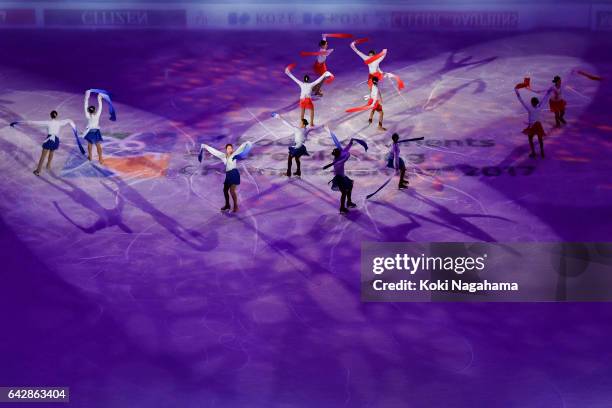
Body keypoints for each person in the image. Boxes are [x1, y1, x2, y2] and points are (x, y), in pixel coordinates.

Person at [10, 110, 78, 176]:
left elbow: (34, 123)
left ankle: (38, 171)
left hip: (49, 140)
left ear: (50, 116)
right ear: (56, 116)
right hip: (56, 140)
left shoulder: (48, 122)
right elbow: (69, 120)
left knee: (43, 156)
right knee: (52, 152)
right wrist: (74, 128)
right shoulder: (60, 122)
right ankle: (48, 165)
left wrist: (18, 122)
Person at [323, 126, 368, 213]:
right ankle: (342, 208)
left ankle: (349, 202)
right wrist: (346, 155)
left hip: (342, 177)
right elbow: (345, 157)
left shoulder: (339, 156)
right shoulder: (337, 161)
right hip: (339, 178)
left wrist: (351, 143)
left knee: (350, 186)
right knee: (344, 192)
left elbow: (345, 149)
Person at [198, 141, 253, 212]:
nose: (229, 150)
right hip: (228, 174)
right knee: (225, 190)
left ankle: (236, 206)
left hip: (234, 174)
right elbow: (214, 151)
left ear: (232, 149)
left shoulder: (234, 155)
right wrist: (205, 146)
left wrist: (247, 144)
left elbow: (245, 145)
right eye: (228, 148)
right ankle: (227, 205)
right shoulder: (223, 156)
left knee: (232, 191)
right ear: (226, 150)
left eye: (230, 148)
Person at [272, 112, 323, 177]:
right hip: (302, 147)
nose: (299, 124)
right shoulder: (306, 130)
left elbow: (288, 124)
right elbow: (313, 128)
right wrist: (322, 126)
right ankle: (298, 172)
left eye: (301, 123)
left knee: (290, 158)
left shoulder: (297, 129)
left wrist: (280, 118)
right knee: (296, 159)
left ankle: (288, 173)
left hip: (297, 147)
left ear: (304, 124)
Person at [515, 85, 552, 158]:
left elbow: (522, 101)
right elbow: (545, 99)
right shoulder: (540, 108)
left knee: (530, 139)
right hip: (538, 125)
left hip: (532, 126)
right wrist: (549, 92)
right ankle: (542, 153)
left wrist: (517, 94)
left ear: (532, 103)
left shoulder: (530, 109)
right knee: (540, 139)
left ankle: (533, 153)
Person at [83, 89, 105, 164]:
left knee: (89, 144)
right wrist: (99, 98)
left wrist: (87, 96)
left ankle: (90, 156)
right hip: (95, 132)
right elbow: (100, 106)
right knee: (98, 145)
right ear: (95, 110)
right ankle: (100, 159)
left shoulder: (87, 115)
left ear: (88, 111)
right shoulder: (97, 115)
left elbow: (85, 104)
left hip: (89, 132)